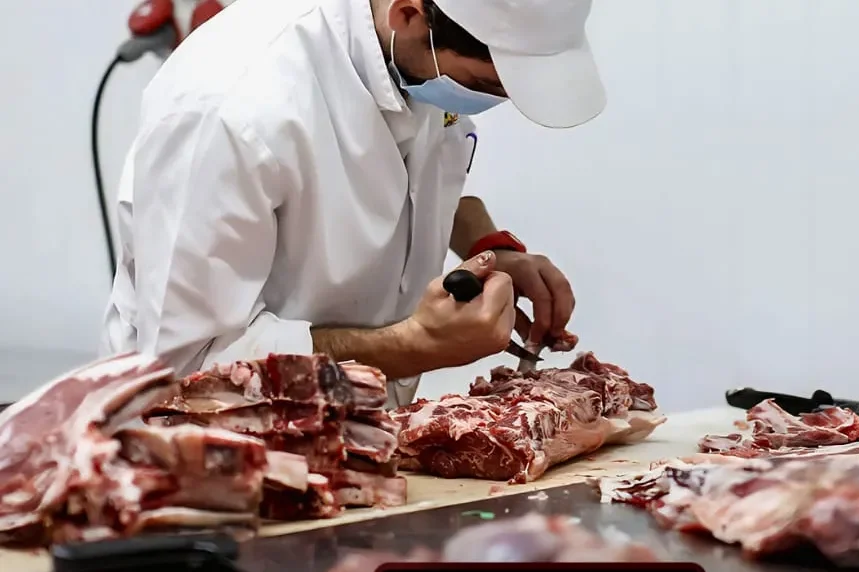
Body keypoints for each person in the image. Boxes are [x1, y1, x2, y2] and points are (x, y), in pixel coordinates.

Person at [99, 0, 606, 407]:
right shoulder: (232, 108)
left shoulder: (410, 57)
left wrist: (490, 246)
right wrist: (416, 345)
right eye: (479, 86)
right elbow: (191, 371)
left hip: (351, 436)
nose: (483, 101)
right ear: (409, 14)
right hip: (224, 447)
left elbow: (416, 175)